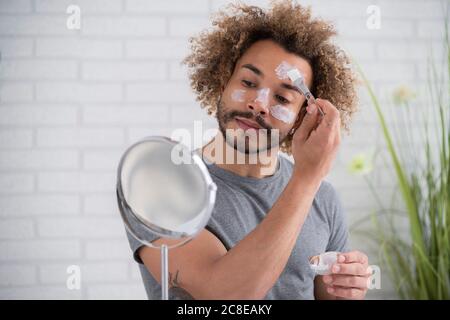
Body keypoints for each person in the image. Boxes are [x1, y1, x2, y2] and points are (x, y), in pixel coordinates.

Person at [125, 0, 371, 300]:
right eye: (248, 81)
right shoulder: (159, 184)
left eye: (282, 98)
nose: (259, 103)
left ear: (301, 119)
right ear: (222, 82)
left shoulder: (323, 198)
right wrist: (307, 179)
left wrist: (346, 288)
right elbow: (224, 296)